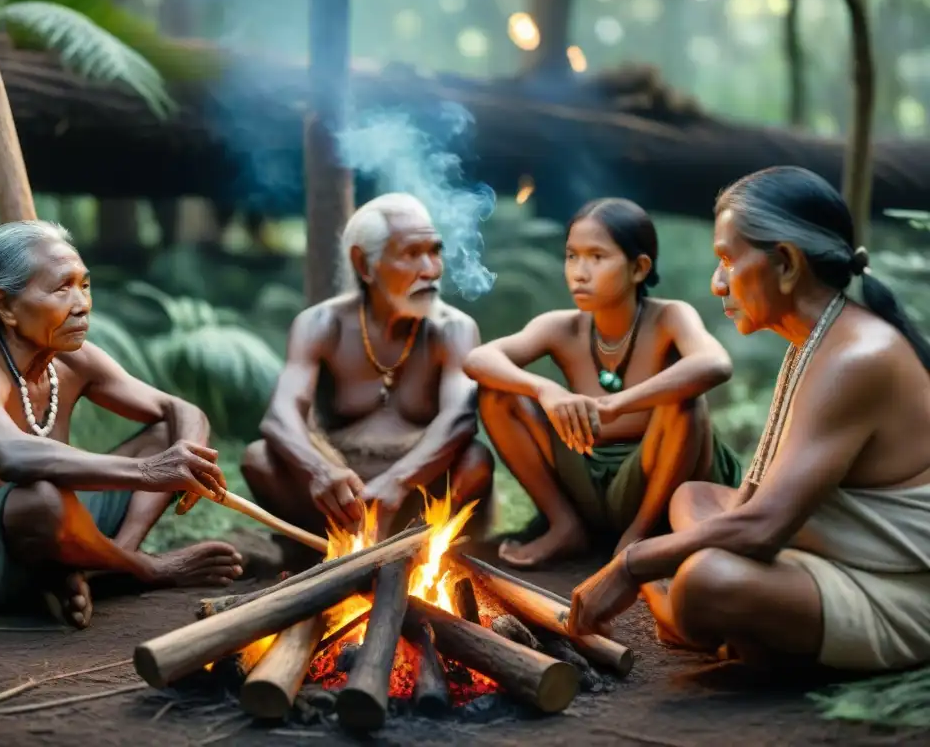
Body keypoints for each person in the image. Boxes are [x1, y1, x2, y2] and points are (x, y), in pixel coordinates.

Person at [568, 166, 930, 672]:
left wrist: (632, 566)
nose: (718, 284)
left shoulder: (856, 357)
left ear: (784, 263)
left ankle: (705, 622)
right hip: (827, 553)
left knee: (703, 581)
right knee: (692, 496)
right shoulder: (819, 337)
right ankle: (747, 633)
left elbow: (762, 527)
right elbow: (760, 501)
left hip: (896, 594)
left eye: (726, 261)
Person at [0, 221, 243, 630]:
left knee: (166, 437)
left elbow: (180, 411)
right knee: (41, 500)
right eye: (62, 288)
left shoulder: (71, 358)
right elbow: (13, 457)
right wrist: (151, 472)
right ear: (6, 306)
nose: (82, 303)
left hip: (65, 522)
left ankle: (109, 562)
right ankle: (143, 569)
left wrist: (188, 461)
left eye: (85, 285)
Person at [465, 198, 742, 568]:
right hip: (588, 484)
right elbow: (478, 359)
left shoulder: (670, 318)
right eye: (571, 256)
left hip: (657, 486)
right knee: (498, 394)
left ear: (639, 268)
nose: (579, 272)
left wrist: (617, 404)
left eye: (597, 257)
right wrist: (546, 389)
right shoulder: (562, 327)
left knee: (685, 402)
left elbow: (715, 363)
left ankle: (637, 539)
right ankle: (565, 526)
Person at [240, 192, 494, 543]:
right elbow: (281, 414)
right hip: (339, 497)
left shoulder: (453, 328)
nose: (431, 270)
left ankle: (419, 550)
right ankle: (332, 548)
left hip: (417, 495)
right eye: (411, 254)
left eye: (435, 251)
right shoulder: (321, 323)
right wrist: (321, 471)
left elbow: (460, 419)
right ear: (363, 264)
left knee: (475, 462)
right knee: (259, 460)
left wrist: (398, 481)